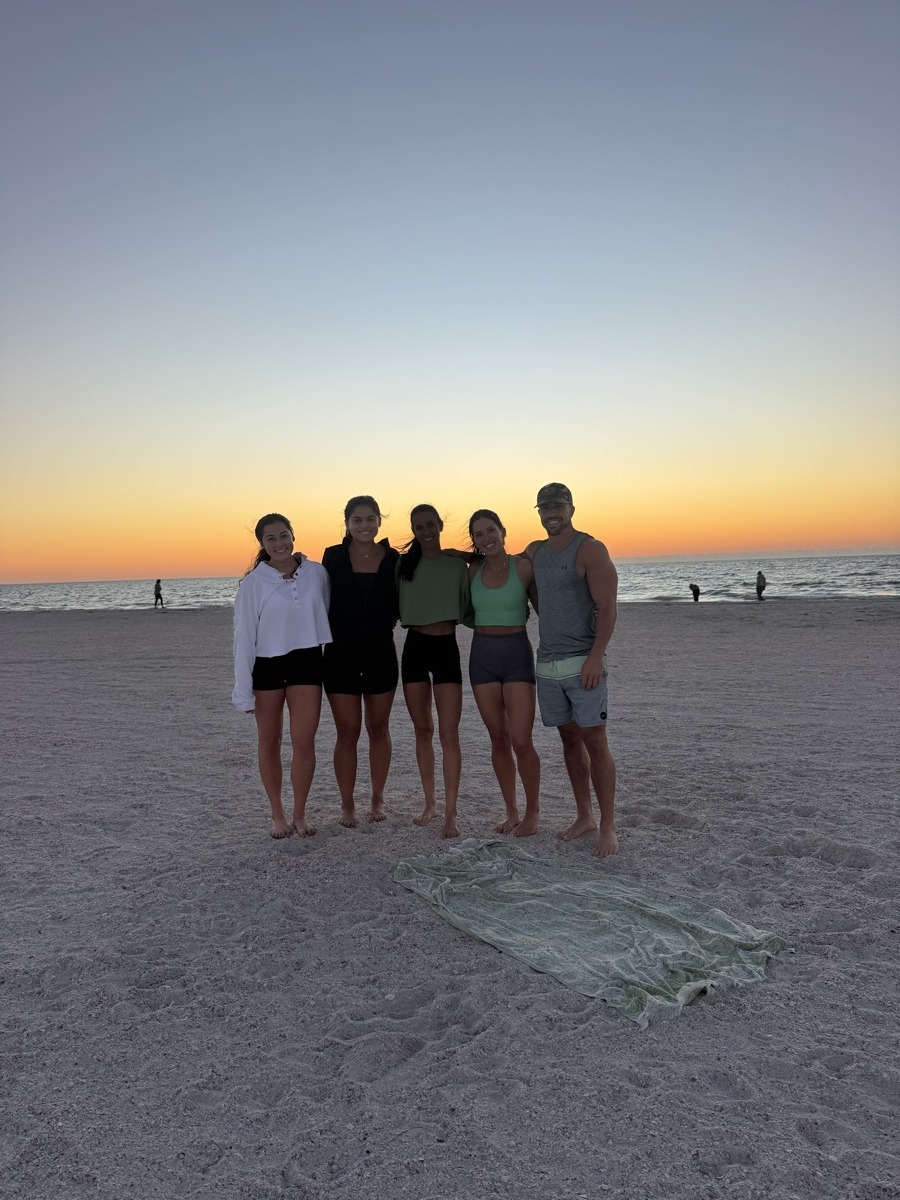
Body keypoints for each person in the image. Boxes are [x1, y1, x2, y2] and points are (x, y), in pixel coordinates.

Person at [524, 483, 619, 857]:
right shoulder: (535, 551)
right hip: (547, 664)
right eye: (545, 508)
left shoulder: (590, 549)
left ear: (572, 509)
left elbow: (608, 606)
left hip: (584, 663)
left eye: (558, 507)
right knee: (568, 740)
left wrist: (597, 656)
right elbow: (504, 564)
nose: (552, 514)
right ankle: (585, 816)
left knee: (596, 741)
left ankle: (608, 825)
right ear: (538, 511)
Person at [232, 513, 331, 839]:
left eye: (283, 535)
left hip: (307, 663)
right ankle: (277, 815)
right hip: (267, 666)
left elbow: (325, 612)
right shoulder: (253, 584)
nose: (279, 543)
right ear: (262, 544)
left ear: (293, 535)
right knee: (269, 741)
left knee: (304, 743)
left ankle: (300, 814)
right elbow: (244, 636)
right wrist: (243, 690)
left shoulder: (317, 573)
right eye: (270, 538)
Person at [322, 496, 400, 827]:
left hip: (382, 652)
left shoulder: (395, 558)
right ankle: (347, 804)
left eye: (370, 519)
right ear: (347, 523)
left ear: (379, 521)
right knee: (348, 730)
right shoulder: (332, 556)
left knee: (378, 728)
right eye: (357, 520)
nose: (364, 525)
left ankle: (377, 798)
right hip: (340, 654)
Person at [397, 503, 470, 838]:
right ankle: (430, 804)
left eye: (430, 525)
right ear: (413, 531)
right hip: (414, 648)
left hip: (446, 649)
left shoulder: (456, 565)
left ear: (440, 525)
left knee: (449, 733)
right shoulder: (403, 564)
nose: (425, 531)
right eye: (418, 527)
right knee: (423, 730)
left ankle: (451, 813)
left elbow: (471, 607)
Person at [467, 509, 541, 836]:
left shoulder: (523, 567)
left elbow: (546, 608)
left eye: (491, 530)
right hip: (481, 655)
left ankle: (532, 812)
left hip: (516, 656)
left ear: (503, 531)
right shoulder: (470, 571)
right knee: (498, 738)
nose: (486, 538)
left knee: (521, 740)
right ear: (474, 541)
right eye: (479, 534)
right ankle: (511, 810)